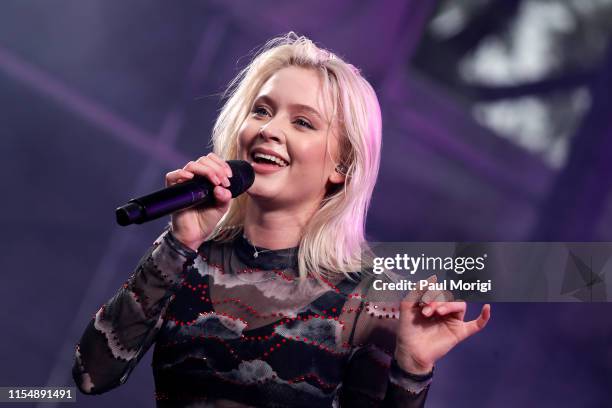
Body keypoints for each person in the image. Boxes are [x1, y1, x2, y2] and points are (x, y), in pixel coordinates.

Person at [72, 32, 491, 407]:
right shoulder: (188, 257)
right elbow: (92, 376)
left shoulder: (371, 300)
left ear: (342, 166)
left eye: (303, 122)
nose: (269, 130)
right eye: (261, 111)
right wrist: (180, 240)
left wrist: (412, 370)